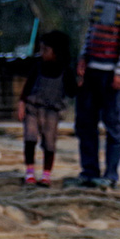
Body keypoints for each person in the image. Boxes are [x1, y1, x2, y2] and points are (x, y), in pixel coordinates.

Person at [71, 0, 120, 189]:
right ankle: (89, 171)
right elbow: (92, 28)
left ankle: (111, 175)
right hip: (92, 68)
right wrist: (84, 57)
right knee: (85, 122)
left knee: (112, 124)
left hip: (111, 72)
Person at [18, 30, 77, 187]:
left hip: (52, 111)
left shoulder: (66, 71)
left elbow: (72, 91)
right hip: (33, 107)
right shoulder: (38, 67)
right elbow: (28, 86)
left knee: (49, 142)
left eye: (45, 50)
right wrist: (22, 103)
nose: (41, 53)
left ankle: (46, 175)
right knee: (30, 138)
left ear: (56, 52)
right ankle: (30, 172)